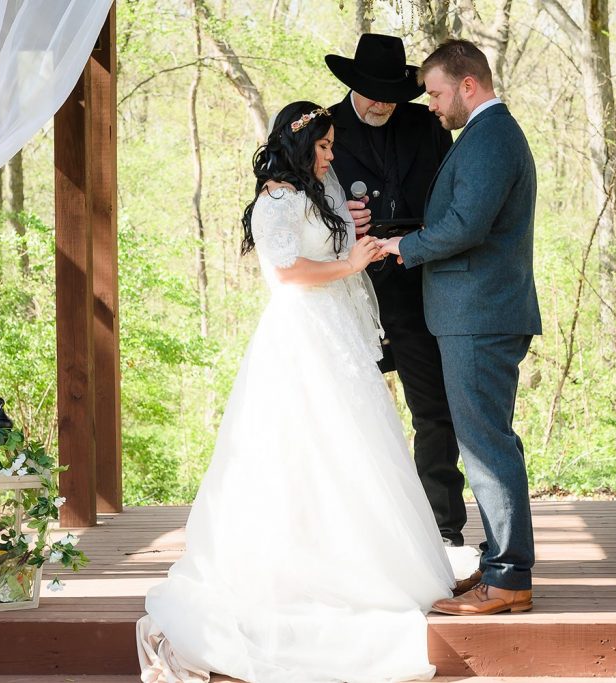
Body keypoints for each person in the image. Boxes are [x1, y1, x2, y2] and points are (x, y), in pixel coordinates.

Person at [137, 101, 455, 683]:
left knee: (356, 444)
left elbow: (331, 245)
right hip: (302, 332)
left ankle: (364, 559)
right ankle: (303, 566)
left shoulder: (316, 188)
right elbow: (287, 272)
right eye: (326, 146)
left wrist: (351, 230)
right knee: (304, 446)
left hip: (335, 329)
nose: (333, 156)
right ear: (299, 144)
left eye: (333, 146)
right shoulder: (275, 200)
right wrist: (349, 262)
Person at [379, 39, 542, 616]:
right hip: (476, 312)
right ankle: (501, 565)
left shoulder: (492, 135)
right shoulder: (482, 135)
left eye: (437, 91)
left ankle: (508, 579)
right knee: (486, 441)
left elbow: (467, 225)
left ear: (468, 85)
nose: (432, 104)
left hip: (481, 314)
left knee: (486, 445)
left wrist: (405, 245)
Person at [325, 34, 470, 554]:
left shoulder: (426, 125)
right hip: (346, 290)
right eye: (371, 91)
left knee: (434, 408)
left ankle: (443, 526)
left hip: (415, 286)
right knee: (344, 411)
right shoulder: (321, 129)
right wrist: (342, 221)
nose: (383, 102)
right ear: (352, 85)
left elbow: (452, 197)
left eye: (392, 92)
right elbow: (283, 202)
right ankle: (350, 525)